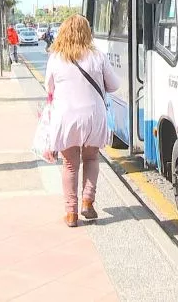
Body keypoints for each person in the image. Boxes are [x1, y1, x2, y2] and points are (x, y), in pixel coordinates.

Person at [45, 14, 121, 227]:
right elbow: (114, 86)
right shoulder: (98, 56)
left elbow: (49, 88)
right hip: (93, 117)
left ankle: (71, 213)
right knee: (91, 159)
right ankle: (87, 200)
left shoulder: (56, 57)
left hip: (66, 117)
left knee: (70, 164)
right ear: (87, 32)